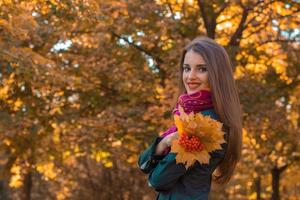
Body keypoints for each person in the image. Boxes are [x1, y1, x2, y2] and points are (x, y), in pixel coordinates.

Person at [138, 36, 243, 200]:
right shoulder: (189, 116)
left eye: (201, 69)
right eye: (187, 68)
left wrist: (156, 168)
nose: (190, 76)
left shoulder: (205, 125)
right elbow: (143, 164)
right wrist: (165, 142)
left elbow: (157, 180)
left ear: (217, 74)